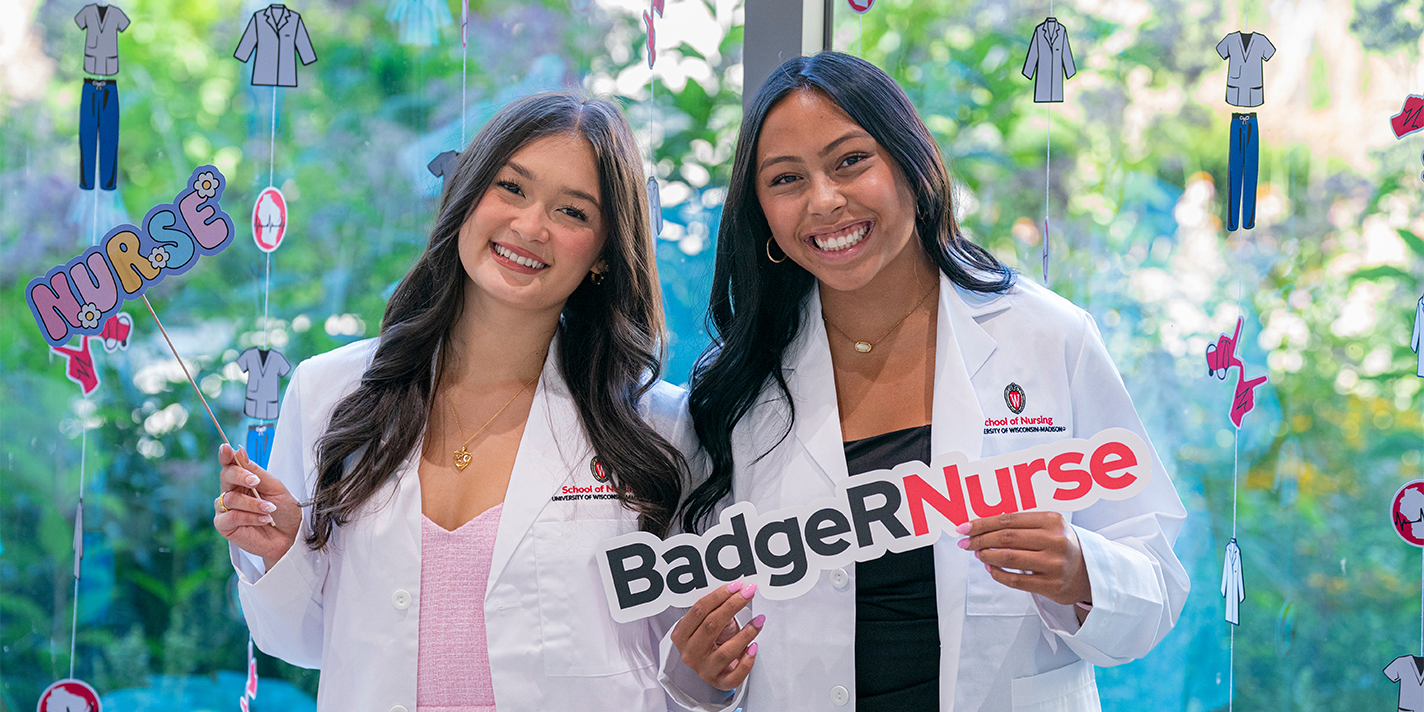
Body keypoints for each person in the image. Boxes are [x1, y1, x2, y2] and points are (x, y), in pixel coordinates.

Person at [662, 53, 1190, 712]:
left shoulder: (1047, 339)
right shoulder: (734, 389)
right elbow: (686, 633)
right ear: (762, 214)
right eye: (787, 179)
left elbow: (1158, 585)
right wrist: (700, 674)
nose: (825, 200)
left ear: (912, 166)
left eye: (850, 161)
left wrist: (1085, 571)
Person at [212, 92, 711, 711]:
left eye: (573, 212)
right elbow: (300, 640)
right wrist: (284, 553)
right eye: (512, 188)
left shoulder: (657, 428)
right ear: (467, 196)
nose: (531, 227)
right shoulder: (331, 393)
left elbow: (689, 670)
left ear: (605, 251)